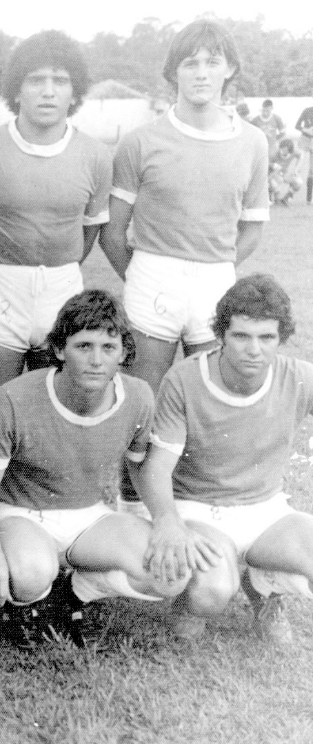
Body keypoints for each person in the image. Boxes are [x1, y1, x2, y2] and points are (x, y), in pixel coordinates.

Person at [100, 20, 268, 510]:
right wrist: (146, 275)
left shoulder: (252, 142)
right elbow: (113, 231)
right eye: (189, 62)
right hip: (152, 276)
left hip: (216, 279)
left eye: (212, 61)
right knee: (142, 402)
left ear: (229, 69)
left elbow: (253, 226)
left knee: (212, 400)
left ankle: (202, 507)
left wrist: (214, 267)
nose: (201, 72)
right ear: (173, 71)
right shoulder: (140, 141)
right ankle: (133, 510)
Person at [0, 290, 182, 647]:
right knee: (32, 572)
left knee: (170, 575)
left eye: (108, 347)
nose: (96, 360)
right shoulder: (13, 398)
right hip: (21, 514)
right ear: (59, 349)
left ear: (124, 353)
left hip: (87, 516)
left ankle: (76, 590)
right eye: (83, 346)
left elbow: (142, 469)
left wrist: (167, 520)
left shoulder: (137, 397)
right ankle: (29, 602)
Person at [139, 275, 313, 644]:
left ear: (281, 337)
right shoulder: (185, 379)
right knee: (213, 591)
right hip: (200, 509)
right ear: (221, 334)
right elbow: (156, 467)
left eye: (266, 337)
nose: (254, 349)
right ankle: (191, 604)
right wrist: (168, 521)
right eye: (241, 336)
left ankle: (265, 586)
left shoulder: (297, 377)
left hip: (265, 510)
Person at [0, 30, 112, 416]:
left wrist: (59, 270)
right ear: (16, 90)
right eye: (36, 80)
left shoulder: (94, 155)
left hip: (63, 291)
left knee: (57, 422)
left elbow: (89, 229)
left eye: (59, 81)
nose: (48, 91)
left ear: (74, 92)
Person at [269, 139, 301, 205]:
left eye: (284, 150)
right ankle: (272, 197)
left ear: (290, 151)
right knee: (276, 184)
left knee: (298, 182)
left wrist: (296, 169)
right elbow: (265, 162)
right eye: (281, 149)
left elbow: (300, 156)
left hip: (285, 174)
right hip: (274, 174)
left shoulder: (294, 152)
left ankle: (286, 198)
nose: (281, 151)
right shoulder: (274, 154)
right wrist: (273, 165)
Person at [295, 101, 313, 204]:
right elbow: (297, 126)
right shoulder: (307, 111)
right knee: (298, 166)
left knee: (311, 171)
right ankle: (289, 195)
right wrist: (306, 130)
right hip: (305, 140)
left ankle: (308, 200)